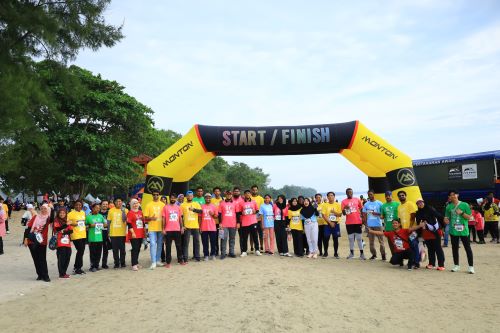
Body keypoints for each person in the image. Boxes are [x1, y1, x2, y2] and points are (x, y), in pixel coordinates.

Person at [445, 190, 474, 274]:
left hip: (463, 231)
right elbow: (447, 218)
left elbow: (469, 217)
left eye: (453, 195)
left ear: (457, 195)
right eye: (450, 196)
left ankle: (471, 267)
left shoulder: (464, 205)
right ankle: (456, 265)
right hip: (453, 231)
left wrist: (461, 213)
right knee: (454, 249)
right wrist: (446, 220)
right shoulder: (448, 206)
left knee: (467, 248)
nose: (452, 196)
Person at [416, 199, 445, 270]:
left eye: (421, 202)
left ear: (423, 202)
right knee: (430, 248)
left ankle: (441, 264)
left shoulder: (429, 208)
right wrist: (419, 235)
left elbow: (438, 215)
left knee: (438, 248)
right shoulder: (418, 212)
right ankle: (431, 263)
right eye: (418, 203)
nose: (420, 204)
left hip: (434, 231)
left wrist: (443, 223)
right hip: (426, 232)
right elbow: (418, 222)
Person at [24, 204, 51, 281]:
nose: (43, 210)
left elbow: (52, 218)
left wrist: (52, 207)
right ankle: (40, 275)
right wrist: (25, 239)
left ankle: (45, 276)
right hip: (31, 240)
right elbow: (28, 228)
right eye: (42, 208)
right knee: (35, 258)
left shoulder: (48, 218)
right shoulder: (35, 217)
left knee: (42, 258)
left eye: (45, 209)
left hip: (42, 241)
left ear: (48, 210)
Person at [143, 190, 165, 269]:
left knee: (159, 245)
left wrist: (164, 227)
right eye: (154, 195)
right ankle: (153, 262)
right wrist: (151, 218)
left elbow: (165, 217)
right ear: (152, 196)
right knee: (152, 244)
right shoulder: (148, 205)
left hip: (160, 228)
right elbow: (145, 218)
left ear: (159, 195)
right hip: (152, 228)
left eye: (157, 195)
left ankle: (158, 260)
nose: (155, 196)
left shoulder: (163, 205)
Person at [341, 188, 365, 260]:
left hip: (358, 222)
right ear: (346, 193)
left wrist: (363, 219)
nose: (350, 194)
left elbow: (361, 209)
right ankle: (351, 253)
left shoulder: (357, 199)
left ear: (352, 193)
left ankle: (362, 254)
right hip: (349, 223)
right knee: (351, 239)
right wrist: (345, 208)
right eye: (348, 193)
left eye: (351, 192)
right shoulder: (343, 202)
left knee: (359, 238)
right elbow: (344, 214)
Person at [397, 191, 419, 266]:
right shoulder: (399, 207)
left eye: (403, 195)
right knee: (409, 246)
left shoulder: (410, 203)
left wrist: (410, 227)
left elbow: (413, 216)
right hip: (404, 230)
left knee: (414, 245)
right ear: (398, 197)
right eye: (400, 196)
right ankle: (412, 261)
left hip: (412, 229)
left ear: (406, 196)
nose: (401, 196)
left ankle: (416, 262)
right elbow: (400, 219)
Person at [162, 193, 185, 267]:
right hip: (168, 230)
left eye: (174, 198)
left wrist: (182, 227)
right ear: (169, 198)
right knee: (168, 246)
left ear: (176, 199)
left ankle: (180, 260)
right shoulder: (165, 207)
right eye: (171, 198)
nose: (173, 199)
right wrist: (163, 229)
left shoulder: (178, 207)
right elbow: (163, 218)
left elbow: (180, 218)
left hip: (177, 229)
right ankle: (168, 262)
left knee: (178, 245)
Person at [362, 190, 386, 261]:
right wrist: (365, 224)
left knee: (381, 241)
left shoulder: (379, 203)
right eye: (369, 195)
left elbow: (383, 214)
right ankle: (374, 255)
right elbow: (364, 214)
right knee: (371, 242)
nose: (370, 196)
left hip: (378, 225)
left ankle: (383, 255)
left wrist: (377, 214)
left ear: (374, 194)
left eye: (371, 194)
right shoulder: (366, 204)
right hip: (370, 225)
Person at [180, 190, 202, 262]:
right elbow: (180, 216)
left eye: (191, 196)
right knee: (186, 243)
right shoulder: (182, 205)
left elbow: (201, 211)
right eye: (188, 196)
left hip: (195, 226)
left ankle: (197, 256)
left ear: (193, 196)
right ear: (186, 197)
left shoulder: (196, 203)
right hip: (187, 226)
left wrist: (194, 209)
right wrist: (182, 226)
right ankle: (185, 257)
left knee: (197, 242)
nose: (190, 197)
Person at [239, 190, 261, 257]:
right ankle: (244, 251)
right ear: (244, 195)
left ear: (250, 194)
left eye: (248, 193)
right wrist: (241, 213)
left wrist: (255, 211)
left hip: (253, 222)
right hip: (245, 223)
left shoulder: (253, 202)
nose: (247, 194)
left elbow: (257, 210)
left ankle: (257, 250)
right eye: (246, 193)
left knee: (255, 236)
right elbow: (239, 212)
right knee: (244, 238)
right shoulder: (241, 203)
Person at [107, 198, 128, 269]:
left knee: (122, 249)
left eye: (120, 201)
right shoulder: (110, 211)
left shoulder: (125, 210)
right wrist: (108, 232)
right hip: (113, 233)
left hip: (122, 233)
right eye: (117, 201)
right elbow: (109, 222)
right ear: (114, 202)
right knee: (115, 250)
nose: (119, 203)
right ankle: (116, 263)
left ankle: (123, 263)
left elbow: (124, 220)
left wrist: (123, 212)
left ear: (122, 202)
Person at [67, 200, 87, 274]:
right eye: (77, 205)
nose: (78, 206)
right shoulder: (70, 214)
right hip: (75, 234)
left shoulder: (83, 212)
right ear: (74, 205)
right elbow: (67, 222)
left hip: (83, 234)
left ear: (82, 205)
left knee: (81, 251)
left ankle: (78, 267)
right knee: (80, 250)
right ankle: (77, 268)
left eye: (80, 205)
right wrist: (73, 223)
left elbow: (84, 222)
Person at [86, 203, 107, 272]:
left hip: (99, 237)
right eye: (96, 208)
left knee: (99, 253)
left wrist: (103, 224)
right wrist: (90, 225)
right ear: (92, 208)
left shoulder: (100, 216)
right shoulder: (88, 217)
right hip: (92, 238)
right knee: (92, 253)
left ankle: (97, 265)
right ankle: (92, 266)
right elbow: (85, 226)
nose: (97, 209)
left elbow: (105, 225)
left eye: (98, 208)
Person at [321, 192, 342, 259]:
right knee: (326, 238)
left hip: (336, 224)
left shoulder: (338, 205)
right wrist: (330, 223)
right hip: (327, 224)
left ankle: (335, 253)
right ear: (327, 197)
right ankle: (325, 252)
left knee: (335, 238)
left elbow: (340, 215)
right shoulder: (324, 205)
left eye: (332, 195)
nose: (330, 197)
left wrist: (334, 212)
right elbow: (323, 215)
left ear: (334, 196)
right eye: (329, 196)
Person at [53, 207, 73, 278]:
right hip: (59, 243)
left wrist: (63, 231)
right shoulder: (56, 220)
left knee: (68, 256)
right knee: (61, 258)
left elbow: (71, 231)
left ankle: (64, 272)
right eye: (60, 213)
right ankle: (61, 274)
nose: (62, 214)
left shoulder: (66, 220)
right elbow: (57, 229)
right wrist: (66, 225)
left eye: (64, 213)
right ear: (58, 213)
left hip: (67, 242)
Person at [218, 190, 238, 259]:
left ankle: (231, 252)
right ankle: (223, 253)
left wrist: (238, 223)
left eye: (230, 194)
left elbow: (237, 213)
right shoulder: (221, 203)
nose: (229, 195)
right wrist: (220, 223)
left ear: (231, 195)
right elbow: (219, 214)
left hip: (233, 224)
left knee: (232, 239)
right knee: (223, 238)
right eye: (227, 194)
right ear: (225, 195)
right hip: (224, 224)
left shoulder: (235, 203)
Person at [126, 199, 144, 271]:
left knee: (138, 248)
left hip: (140, 233)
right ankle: (133, 264)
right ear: (131, 205)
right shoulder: (130, 213)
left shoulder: (140, 212)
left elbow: (143, 222)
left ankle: (136, 262)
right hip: (134, 234)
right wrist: (133, 233)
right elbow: (129, 224)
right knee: (135, 249)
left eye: (136, 203)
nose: (135, 205)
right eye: (134, 203)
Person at [380, 191, 399, 255]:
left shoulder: (397, 204)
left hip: (397, 228)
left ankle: (399, 257)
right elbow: (382, 216)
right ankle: (394, 257)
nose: (388, 197)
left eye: (389, 195)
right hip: (388, 228)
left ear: (392, 196)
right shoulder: (383, 206)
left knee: (398, 243)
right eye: (386, 196)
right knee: (391, 244)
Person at [200, 193, 218, 260]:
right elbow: (200, 217)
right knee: (205, 242)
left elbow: (216, 217)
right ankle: (206, 255)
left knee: (213, 242)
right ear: (204, 198)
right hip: (204, 227)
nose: (208, 199)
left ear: (211, 198)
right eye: (206, 198)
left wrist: (213, 214)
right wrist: (200, 227)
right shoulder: (202, 206)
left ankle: (213, 254)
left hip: (212, 227)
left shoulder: (214, 206)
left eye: (209, 198)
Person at [250, 185, 265, 252]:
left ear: (257, 190)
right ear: (251, 190)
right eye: (253, 190)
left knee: (260, 234)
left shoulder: (261, 198)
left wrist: (260, 218)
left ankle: (261, 247)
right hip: (250, 218)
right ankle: (252, 248)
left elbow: (262, 209)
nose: (255, 191)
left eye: (256, 190)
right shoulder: (249, 197)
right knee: (252, 234)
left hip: (259, 217)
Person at [211, 187, 223, 255]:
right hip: (214, 222)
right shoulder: (211, 200)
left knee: (221, 237)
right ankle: (216, 251)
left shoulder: (223, 200)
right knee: (215, 238)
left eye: (218, 191)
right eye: (215, 191)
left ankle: (222, 251)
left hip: (221, 222)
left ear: (220, 192)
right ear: (213, 192)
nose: (217, 192)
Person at [99, 200, 111, 269]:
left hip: (107, 232)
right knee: (98, 249)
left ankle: (104, 263)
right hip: (99, 232)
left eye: (106, 204)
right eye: (103, 204)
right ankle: (96, 263)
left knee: (106, 249)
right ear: (101, 205)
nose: (105, 205)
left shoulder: (110, 212)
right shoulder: (98, 212)